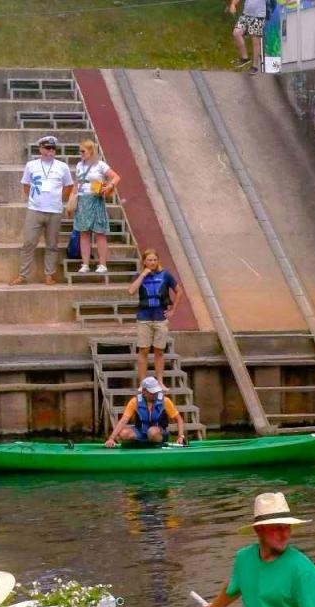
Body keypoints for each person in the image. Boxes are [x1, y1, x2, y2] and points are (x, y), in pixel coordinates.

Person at [12, 136, 74, 286]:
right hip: (35, 209)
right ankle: (23, 275)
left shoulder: (62, 166)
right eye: (47, 148)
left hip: (54, 210)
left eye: (52, 149)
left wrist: (58, 198)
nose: (50, 152)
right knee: (28, 243)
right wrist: (34, 199)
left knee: (52, 245)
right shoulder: (31, 165)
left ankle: (49, 275)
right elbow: (26, 185)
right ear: (40, 149)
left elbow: (68, 185)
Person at [129, 249, 181, 381]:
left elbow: (179, 291)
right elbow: (131, 291)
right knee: (143, 350)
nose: (152, 262)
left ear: (158, 261)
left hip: (160, 318)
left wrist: (173, 310)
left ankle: (160, 381)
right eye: (149, 260)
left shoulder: (165, 275)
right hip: (144, 318)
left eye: (154, 260)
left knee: (159, 351)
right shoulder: (139, 275)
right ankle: (142, 382)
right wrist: (143, 275)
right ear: (144, 262)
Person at [72, 141, 121, 275]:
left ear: (91, 151)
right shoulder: (79, 165)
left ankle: (103, 263)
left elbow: (116, 177)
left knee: (99, 233)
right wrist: (72, 199)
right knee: (84, 233)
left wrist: (109, 186)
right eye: (80, 151)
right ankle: (85, 263)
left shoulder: (100, 165)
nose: (80, 154)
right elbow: (76, 183)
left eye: (83, 151)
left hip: (96, 198)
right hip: (82, 199)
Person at [106, 377, 185, 447]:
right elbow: (123, 420)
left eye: (156, 391)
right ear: (144, 391)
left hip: (158, 433)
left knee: (152, 432)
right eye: (151, 392)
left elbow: (179, 419)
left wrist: (180, 436)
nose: (154, 394)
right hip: (141, 432)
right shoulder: (135, 401)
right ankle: (142, 444)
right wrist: (111, 438)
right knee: (124, 433)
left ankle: (157, 444)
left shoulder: (165, 401)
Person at [231, 0, 270, 73]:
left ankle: (254, 66)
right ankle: (245, 58)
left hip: (258, 16)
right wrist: (233, 4)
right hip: (246, 15)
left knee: (255, 42)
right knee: (236, 33)